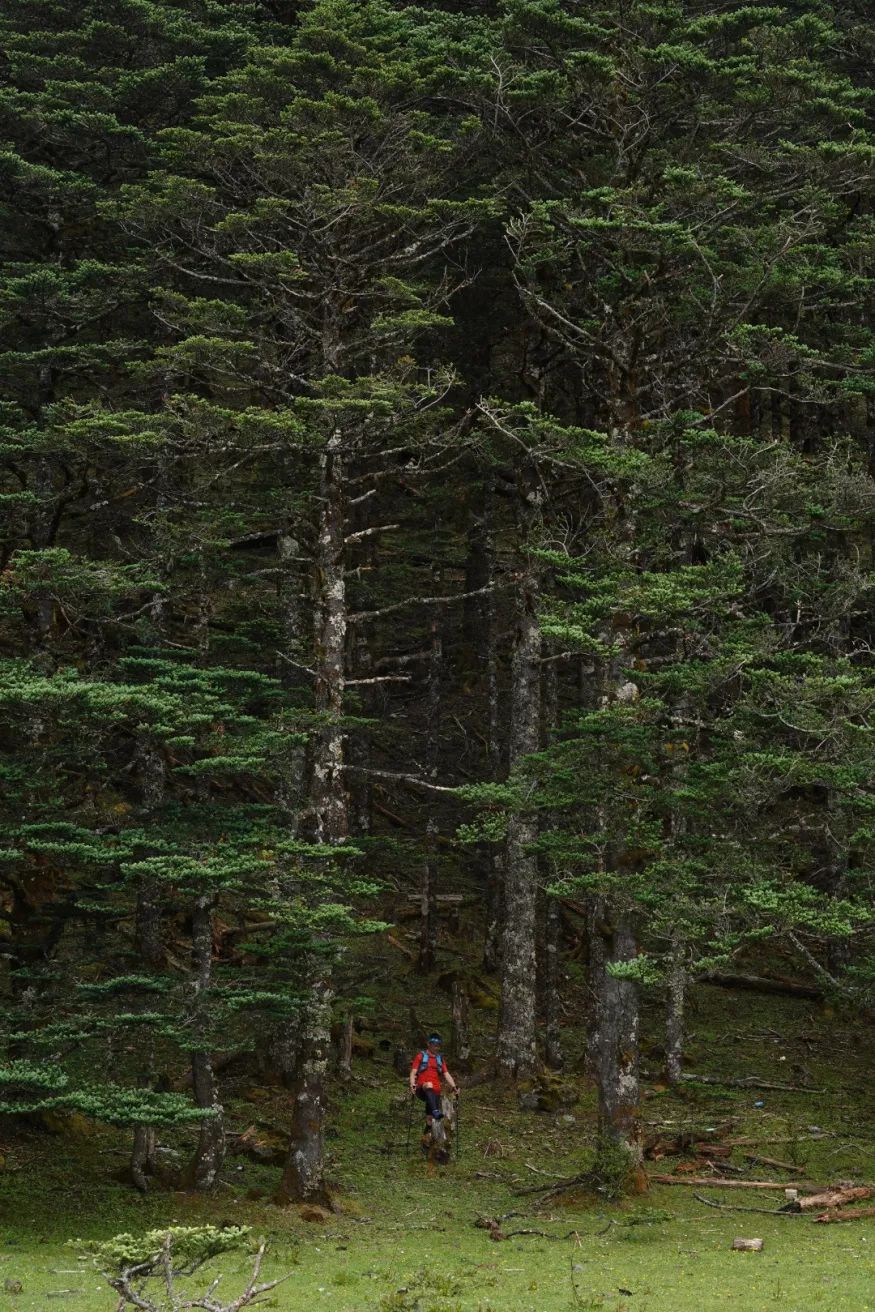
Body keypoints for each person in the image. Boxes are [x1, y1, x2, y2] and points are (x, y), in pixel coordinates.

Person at [409, 1033, 458, 1141]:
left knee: (430, 1120)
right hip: (422, 1088)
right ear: (429, 1044)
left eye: (439, 1046)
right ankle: (435, 1110)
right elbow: (413, 1072)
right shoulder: (421, 1056)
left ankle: (426, 1140)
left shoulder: (440, 1059)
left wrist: (454, 1086)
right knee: (429, 1085)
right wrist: (412, 1084)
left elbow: (446, 1074)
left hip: (435, 1091)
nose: (437, 1048)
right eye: (435, 1045)